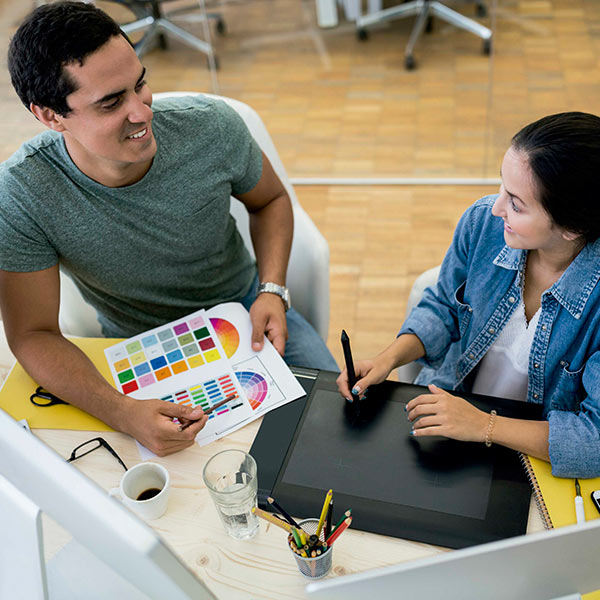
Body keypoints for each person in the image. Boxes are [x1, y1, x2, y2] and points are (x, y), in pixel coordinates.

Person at [0, 1, 337, 456]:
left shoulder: (212, 127)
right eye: (111, 102)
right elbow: (32, 334)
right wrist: (121, 411)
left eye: (140, 84)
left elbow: (272, 201)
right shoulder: (23, 192)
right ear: (50, 116)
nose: (142, 112)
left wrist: (272, 288)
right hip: (131, 347)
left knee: (333, 429)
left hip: (242, 314)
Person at [337, 112, 600, 478]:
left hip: (534, 455)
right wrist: (389, 359)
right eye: (502, 188)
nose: (496, 208)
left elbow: (593, 440)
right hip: (452, 413)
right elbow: (444, 307)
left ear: (572, 227)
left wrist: (483, 426)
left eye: (517, 204)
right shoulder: (483, 223)